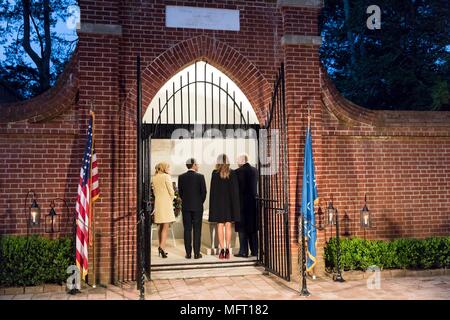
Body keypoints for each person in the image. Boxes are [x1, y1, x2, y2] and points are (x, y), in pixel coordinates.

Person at [208, 154, 240, 259]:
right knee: (228, 225)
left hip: (218, 204)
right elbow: (235, 192)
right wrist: (235, 206)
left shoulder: (214, 173)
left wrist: (212, 207)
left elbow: (212, 192)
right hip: (229, 204)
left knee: (220, 225)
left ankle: (222, 250)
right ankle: (227, 249)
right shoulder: (233, 173)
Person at [178, 158, 207, 259]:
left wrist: (186, 201)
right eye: (197, 164)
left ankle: (188, 253)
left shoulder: (181, 177)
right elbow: (204, 192)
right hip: (198, 207)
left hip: (186, 207)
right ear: (194, 165)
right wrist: (199, 202)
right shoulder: (200, 177)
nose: (198, 166)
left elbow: (180, 193)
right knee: (197, 230)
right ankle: (196, 253)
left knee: (187, 230)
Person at [234, 154, 259, 258]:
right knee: (253, 228)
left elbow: (237, 189)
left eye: (237, 160)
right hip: (253, 203)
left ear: (242, 160)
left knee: (242, 228)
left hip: (241, 203)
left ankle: (243, 251)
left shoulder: (237, 172)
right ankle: (255, 251)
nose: (236, 162)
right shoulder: (255, 170)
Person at [152, 162, 175, 258]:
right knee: (165, 226)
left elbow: (154, 192)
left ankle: (161, 248)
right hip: (166, 203)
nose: (169, 168)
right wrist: (171, 198)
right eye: (168, 167)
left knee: (160, 226)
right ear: (164, 168)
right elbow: (171, 191)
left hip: (158, 203)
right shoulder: (166, 177)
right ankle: (161, 247)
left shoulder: (154, 177)